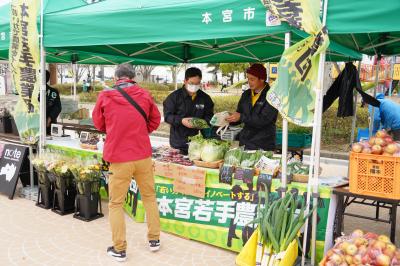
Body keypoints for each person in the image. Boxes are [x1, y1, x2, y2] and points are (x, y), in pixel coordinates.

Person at [92, 63, 161, 262]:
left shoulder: (105, 96)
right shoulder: (145, 94)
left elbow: (98, 123)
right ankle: (154, 240)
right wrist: (140, 131)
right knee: (149, 197)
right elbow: (155, 120)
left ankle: (119, 248)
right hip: (142, 155)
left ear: (116, 78)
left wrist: (115, 130)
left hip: (119, 158)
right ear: (133, 77)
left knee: (115, 204)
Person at [226, 63, 278, 150]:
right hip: (245, 142)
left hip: (263, 144)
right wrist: (230, 119)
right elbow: (240, 114)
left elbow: (263, 120)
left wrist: (241, 117)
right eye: (248, 79)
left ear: (262, 79)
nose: (249, 82)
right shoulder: (246, 94)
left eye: (252, 79)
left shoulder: (272, 96)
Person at [163, 67, 214, 154]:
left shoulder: (205, 98)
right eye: (191, 83)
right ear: (185, 81)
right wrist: (181, 120)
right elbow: (167, 117)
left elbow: (210, 117)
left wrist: (201, 122)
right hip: (178, 143)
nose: (194, 86)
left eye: (197, 83)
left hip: (198, 143)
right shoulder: (174, 97)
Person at [43, 70, 62, 135]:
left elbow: (58, 107)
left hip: (48, 125)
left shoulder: (53, 92)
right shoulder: (33, 91)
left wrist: (50, 118)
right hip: (33, 125)